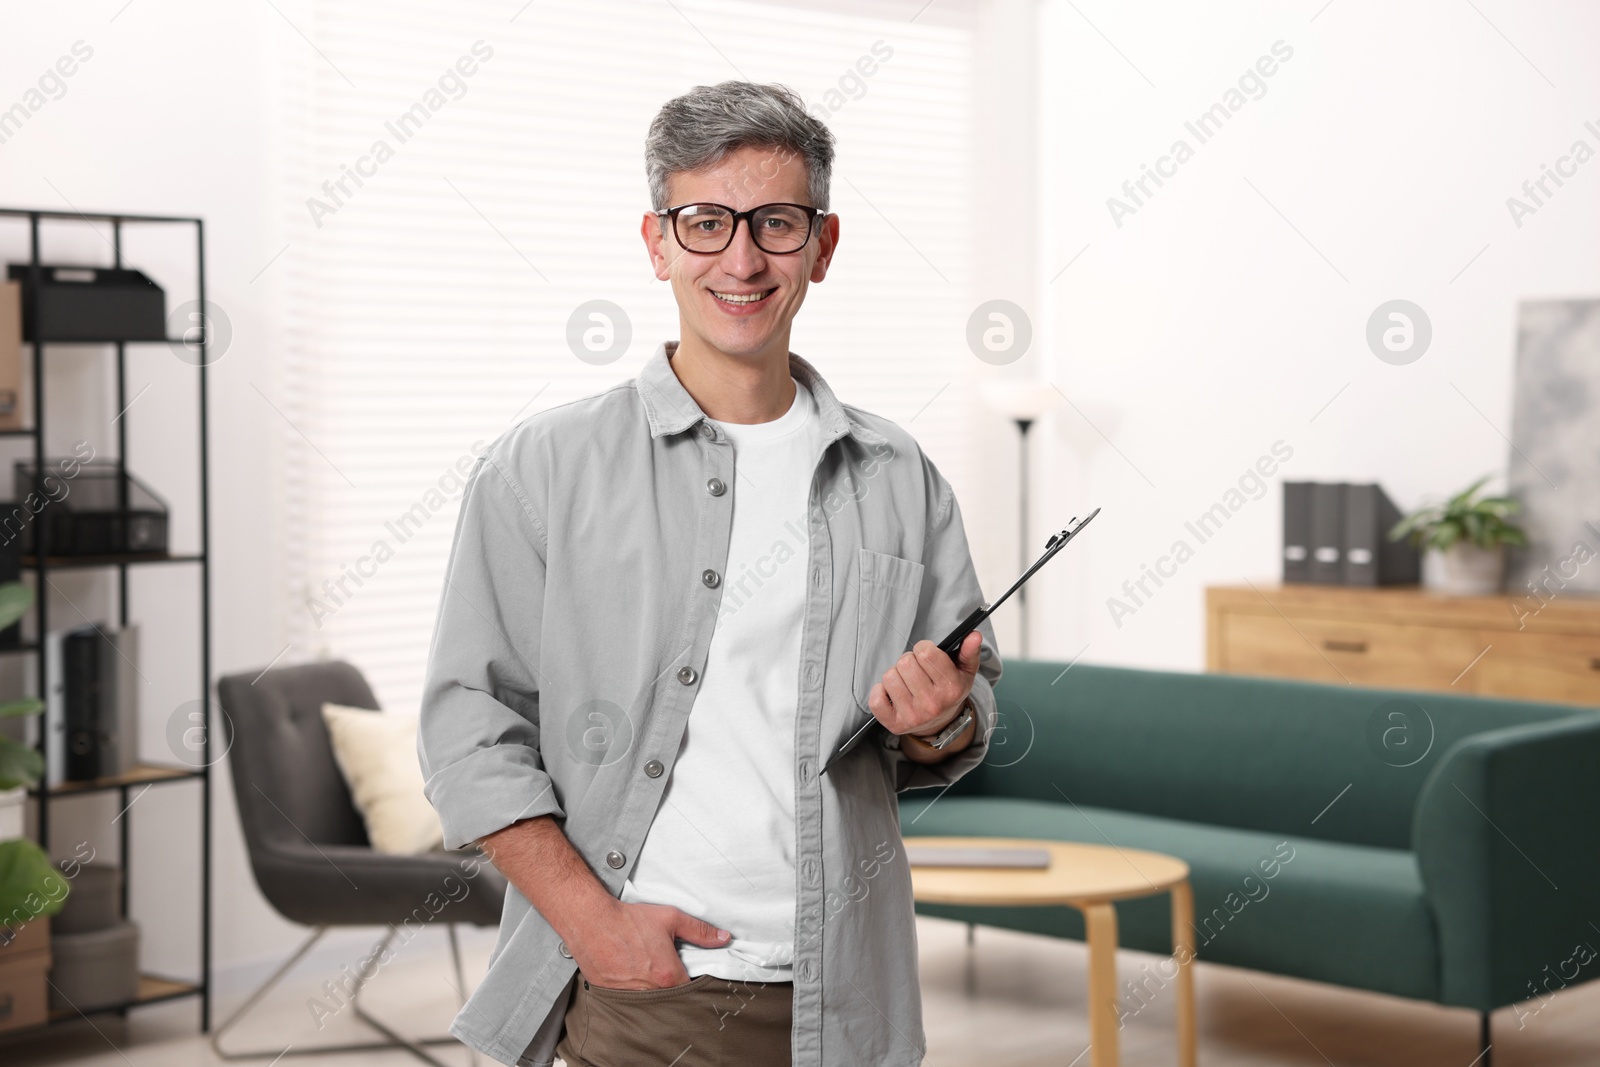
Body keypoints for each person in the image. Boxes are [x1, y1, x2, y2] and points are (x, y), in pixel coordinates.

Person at [418, 80, 1002, 1067]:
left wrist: (939, 715)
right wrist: (597, 929)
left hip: (855, 991)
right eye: (705, 222)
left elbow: (970, 704)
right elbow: (466, 723)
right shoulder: (541, 468)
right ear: (656, 243)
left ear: (822, 244)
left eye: (775, 222)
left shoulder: (900, 476)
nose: (741, 258)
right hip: (652, 987)